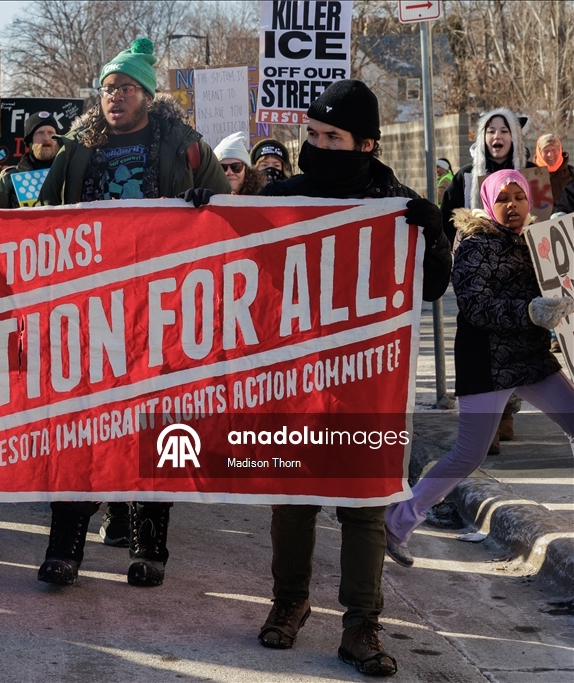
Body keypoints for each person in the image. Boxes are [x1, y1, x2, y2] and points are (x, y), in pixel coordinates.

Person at [257, 79, 453, 677]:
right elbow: (236, 263)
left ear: (365, 144)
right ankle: (289, 603)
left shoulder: (397, 202)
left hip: (367, 382)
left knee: (363, 506)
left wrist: (434, 237)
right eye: (311, 134)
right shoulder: (285, 197)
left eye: (331, 137)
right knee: (294, 500)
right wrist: (207, 214)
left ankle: (361, 625)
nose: (316, 145)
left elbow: (431, 288)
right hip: (297, 380)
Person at [37, 37, 229, 588]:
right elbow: (43, 220)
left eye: (124, 87)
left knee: (160, 423)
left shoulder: (186, 145)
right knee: (81, 427)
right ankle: (65, 548)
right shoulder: (77, 148)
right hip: (92, 308)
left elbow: (236, 215)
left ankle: (149, 549)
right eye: (106, 89)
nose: (113, 96)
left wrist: (203, 206)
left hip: (163, 310)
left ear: (147, 93)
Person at [385, 169, 574, 566]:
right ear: (489, 203)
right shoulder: (474, 244)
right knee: (468, 456)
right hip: (487, 362)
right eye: (503, 198)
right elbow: (475, 308)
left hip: (531, 359)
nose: (512, 206)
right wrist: (529, 311)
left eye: (519, 197)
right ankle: (398, 520)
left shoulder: (531, 241)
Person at [441, 108, 528, 245]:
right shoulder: (466, 176)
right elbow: (448, 219)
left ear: (514, 137)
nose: (497, 136)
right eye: (491, 131)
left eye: (504, 131)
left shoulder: (531, 172)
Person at [0, 112, 60, 208]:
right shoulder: (10, 177)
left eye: (51, 133)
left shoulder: (70, 175)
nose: (46, 138)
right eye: (40, 133)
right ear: (30, 141)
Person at [534, 134, 573, 209]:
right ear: (539, 153)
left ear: (560, 150)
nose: (550, 154)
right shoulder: (530, 176)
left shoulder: (571, 174)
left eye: (554, 150)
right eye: (546, 151)